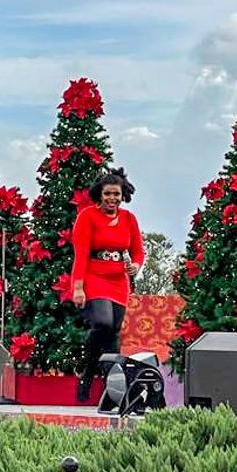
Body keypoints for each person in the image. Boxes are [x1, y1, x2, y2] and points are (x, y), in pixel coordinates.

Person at [71, 167, 144, 403]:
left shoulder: (129, 219)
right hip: (94, 277)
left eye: (116, 194)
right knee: (103, 322)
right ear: (100, 195)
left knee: (114, 332)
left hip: (119, 280)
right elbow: (81, 253)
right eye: (108, 194)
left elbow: (138, 251)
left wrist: (136, 265)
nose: (112, 198)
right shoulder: (88, 216)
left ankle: (112, 387)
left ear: (123, 195)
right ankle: (88, 373)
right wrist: (78, 287)